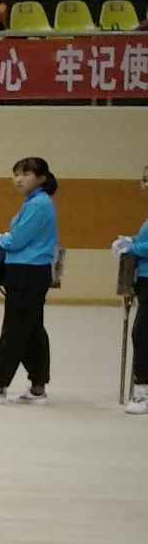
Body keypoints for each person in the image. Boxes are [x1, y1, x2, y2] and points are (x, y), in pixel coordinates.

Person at [0, 156, 58, 404]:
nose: (18, 179)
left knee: (15, 329)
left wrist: (0, 239)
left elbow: (18, 241)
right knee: (32, 331)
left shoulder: (38, 204)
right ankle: (38, 387)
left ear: (41, 178)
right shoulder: (35, 202)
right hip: (30, 271)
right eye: (16, 174)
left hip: (26, 272)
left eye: (26, 174)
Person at [121, 163, 147, 414]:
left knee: (142, 334)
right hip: (145, 277)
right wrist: (133, 241)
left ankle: (143, 391)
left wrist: (131, 248)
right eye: (145, 179)